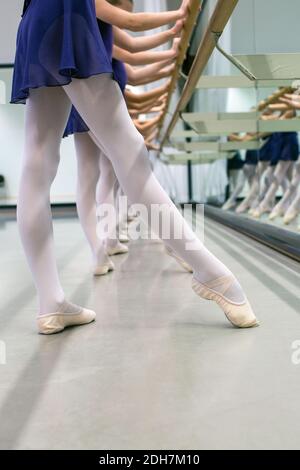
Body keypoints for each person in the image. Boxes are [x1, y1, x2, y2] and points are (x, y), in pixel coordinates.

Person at [12, 0, 258, 334]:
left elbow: (131, 29)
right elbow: (131, 22)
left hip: (36, 17)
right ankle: (211, 272)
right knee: (128, 153)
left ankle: (50, 302)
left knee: (38, 162)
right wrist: (180, 14)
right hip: (66, 11)